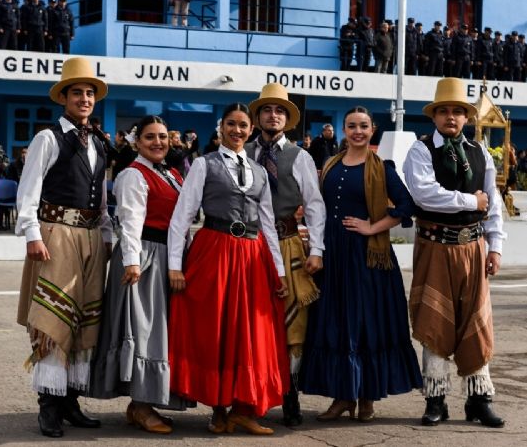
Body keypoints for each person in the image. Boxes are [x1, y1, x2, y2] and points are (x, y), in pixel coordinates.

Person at [167, 102, 289, 435]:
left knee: (248, 332)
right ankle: (218, 409)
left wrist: (278, 270)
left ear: (251, 130)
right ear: (221, 127)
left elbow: (267, 222)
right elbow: (183, 216)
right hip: (215, 250)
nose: (237, 130)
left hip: (251, 255)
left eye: (243, 126)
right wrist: (174, 265)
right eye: (231, 124)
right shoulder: (204, 165)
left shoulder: (260, 171)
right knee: (216, 328)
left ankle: (242, 409)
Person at [301, 106, 422, 423]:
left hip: (367, 258)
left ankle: (366, 398)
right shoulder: (330, 164)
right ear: (343, 129)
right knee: (338, 324)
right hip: (334, 256)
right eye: (352, 125)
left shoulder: (382, 167)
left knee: (366, 325)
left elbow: (407, 205)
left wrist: (373, 227)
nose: (357, 131)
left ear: (372, 130)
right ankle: (343, 396)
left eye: (363, 126)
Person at [15, 57, 112, 438]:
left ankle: (70, 399)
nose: (85, 99)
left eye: (89, 93)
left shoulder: (100, 142)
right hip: (56, 233)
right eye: (78, 93)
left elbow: (101, 198)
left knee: (85, 321)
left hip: (91, 236)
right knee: (54, 321)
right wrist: (32, 234)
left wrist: (106, 236)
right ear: (64, 98)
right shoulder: (47, 137)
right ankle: (48, 405)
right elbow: (29, 189)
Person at [403, 77, 506, 428]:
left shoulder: (480, 153)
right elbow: (424, 195)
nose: (451, 117)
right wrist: (469, 201)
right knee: (434, 321)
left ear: (466, 117)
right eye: (444, 111)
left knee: (475, 322)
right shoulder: (420, 150)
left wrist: (496, 246)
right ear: (434, 116)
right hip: (435, 246)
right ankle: (436, 401)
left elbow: (493, 204)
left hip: (474, 247)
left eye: (457, 112)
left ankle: (479, 400)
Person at [89, 115, 187, 434]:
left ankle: (142, 404)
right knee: (143, 329)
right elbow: (130, 221)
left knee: (161, 330)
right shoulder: (133, 174)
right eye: (150, 137)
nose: (158, 142)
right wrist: (132, 261)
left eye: (162, 136)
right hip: (143, 257)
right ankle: (141, 406)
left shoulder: (172, 173)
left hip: (167, 256)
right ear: (137, 142)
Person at [244, 83, 325, 427]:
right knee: (255, 321)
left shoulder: (300, 155)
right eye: (266, 110)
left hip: (289, 242)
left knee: (292, 321)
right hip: (249, 246)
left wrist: (317, 249)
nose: (272, 115)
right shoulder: (242, 152)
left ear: (288, 120)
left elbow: (315, 205)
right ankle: (254, 395)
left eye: (279, 111)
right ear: (258, 117)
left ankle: (290, 396)